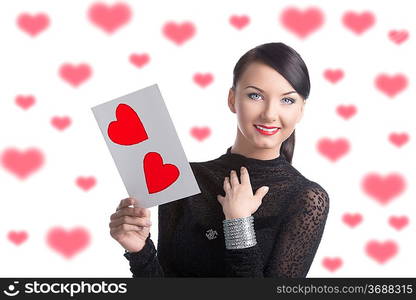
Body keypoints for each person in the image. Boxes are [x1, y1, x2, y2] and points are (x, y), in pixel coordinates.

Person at [109, 42, 330, 277]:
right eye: (255, 95)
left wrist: (239, 224)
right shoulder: (183, 179)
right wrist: (139, 251)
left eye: (287, 100)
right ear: (232, 99)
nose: (269, 114)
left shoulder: (307, 199)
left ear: (301, 110)